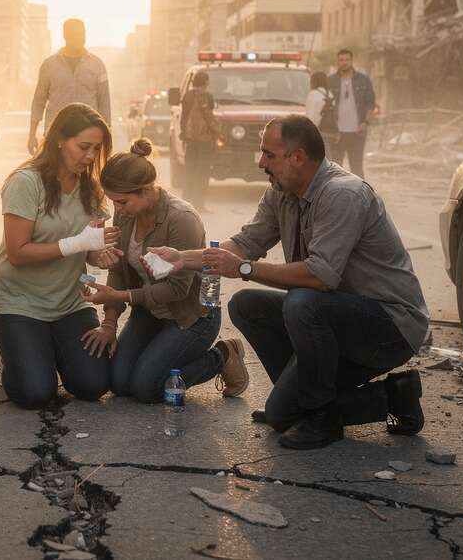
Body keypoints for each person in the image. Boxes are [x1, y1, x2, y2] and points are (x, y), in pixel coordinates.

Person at [152, 116, 428, 450]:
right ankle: (370, 396)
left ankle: (321, 414)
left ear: (297, 157)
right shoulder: (280, 194)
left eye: (269, 155)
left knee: (302, 302)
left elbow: (320, 276)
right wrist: (183, 258)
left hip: (388, 326)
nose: (260, 163)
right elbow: (243, 244)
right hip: (334, 317)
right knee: (247, 305)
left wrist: (244, 269)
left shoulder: (343, 194)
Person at [78, 139, 248, 403]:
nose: (117, 210)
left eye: (122, 202)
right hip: (150, 312)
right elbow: (119, 271)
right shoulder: (126, 214)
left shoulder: (181, 219)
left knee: (147, 388)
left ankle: (223, 355)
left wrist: (120, 296)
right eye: (114, 202)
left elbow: (177, 290)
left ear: (146, 190)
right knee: (120, 383)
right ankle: (160, 352)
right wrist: (109, 324)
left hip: (191, 315)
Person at [0, 103, 121, 408]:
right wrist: (79, 244)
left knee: (93, 385)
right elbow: (18, 253)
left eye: (96, 149)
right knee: (34, 393)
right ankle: (14, 359)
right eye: (83, 147)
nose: (89, 157)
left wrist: (98, 256)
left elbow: (89, 249)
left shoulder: (91, 188)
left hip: (69, 304)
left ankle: (42, 353)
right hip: (18, 302)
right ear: (60, 139)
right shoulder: (26, 181)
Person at [28, 19, 111, 155]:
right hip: (57, 135)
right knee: (53, 175)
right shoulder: (49, 65)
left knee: (85, 176)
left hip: (87, 136)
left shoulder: (97, 65)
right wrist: (32, 135)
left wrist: (106, 138)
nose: (81, 38)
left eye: (83, 34)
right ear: (65, 36)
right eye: (76, 34)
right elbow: (39, 101)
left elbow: (104, 103)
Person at [327, 49, 376, 178]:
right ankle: (335, 197)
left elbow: (370, 103)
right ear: (337, 62)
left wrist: (365, 122)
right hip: (337, 132)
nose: (344, 63)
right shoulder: (330, 81)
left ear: (351, 61)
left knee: (357, 168)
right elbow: (326, 107)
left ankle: (360, 197)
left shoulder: (363, 80)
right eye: (341, 60)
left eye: (347, 60)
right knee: (335, 168)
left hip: (357, 131)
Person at [178, 71, 221, 212]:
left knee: (189, 171)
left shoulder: (187, 96)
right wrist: (217, 132)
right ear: (205, 82)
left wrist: (184, 133)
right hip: (204, 141)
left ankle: (186, 203)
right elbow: (209, 117)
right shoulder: (207, 96)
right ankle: (199, 204)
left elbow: (183, 118)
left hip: (190, 140)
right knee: (202, 172)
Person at [305, 71, 337, 153]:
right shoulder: (329, 94)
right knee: (327, 155)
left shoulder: (313, 94)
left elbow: (310, 117)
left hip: (317, 132)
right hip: (329, 131)